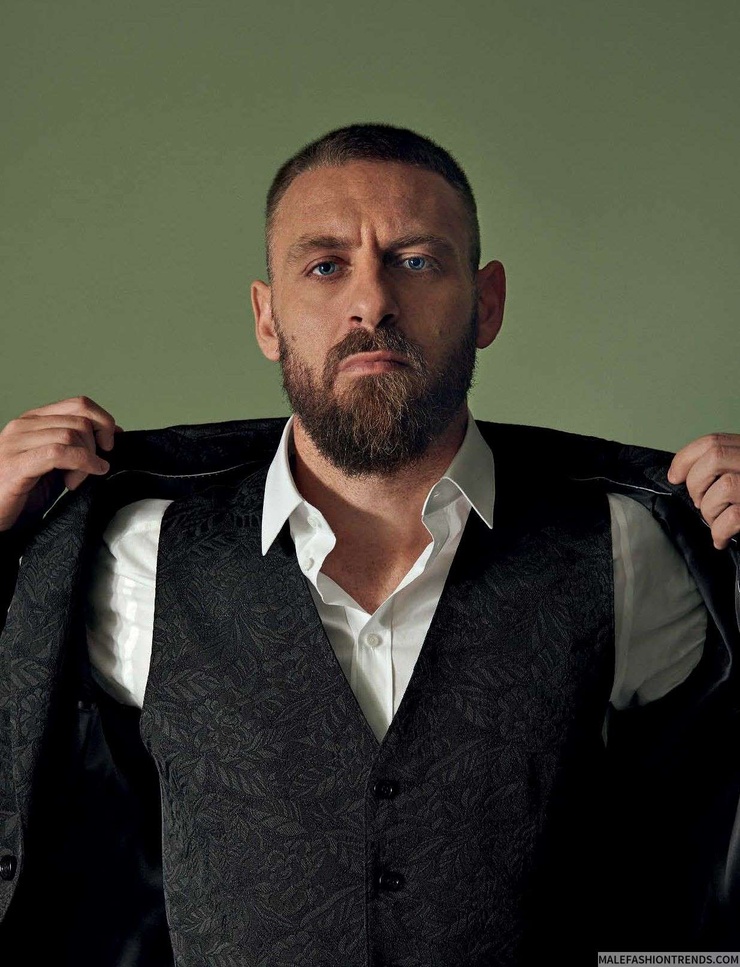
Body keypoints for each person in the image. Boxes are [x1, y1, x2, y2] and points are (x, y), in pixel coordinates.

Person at [0, 123, 739, 966]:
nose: (372, 303)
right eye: (325, 266)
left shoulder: (626, 552)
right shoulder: (141, 561)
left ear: (487, 302)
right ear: (267, 317)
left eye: (415, 261)